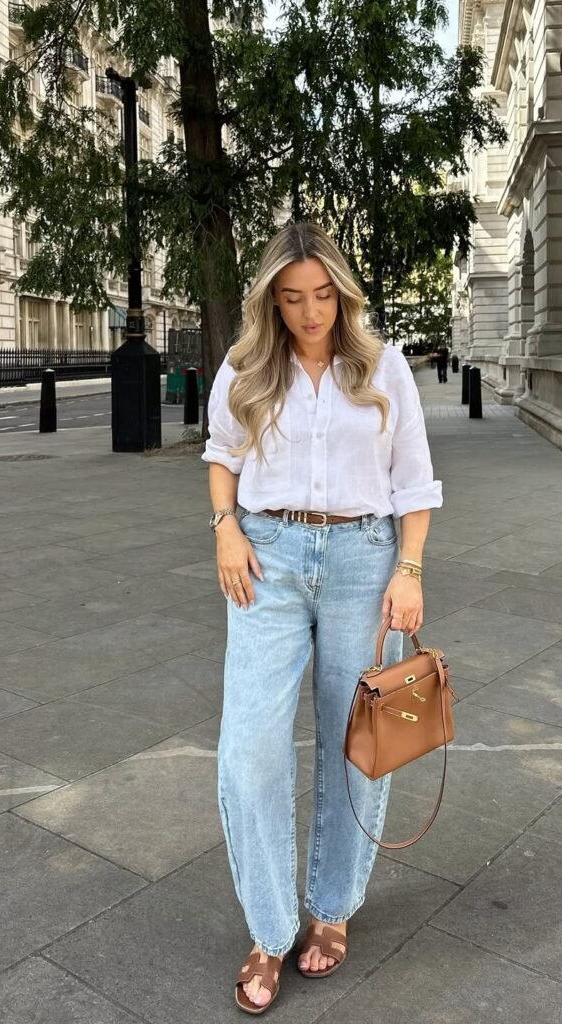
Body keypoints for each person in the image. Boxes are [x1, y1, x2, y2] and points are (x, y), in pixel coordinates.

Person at [202, 222, 442, 1014]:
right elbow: (221, 454)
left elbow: (415, 480)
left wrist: (407, 571)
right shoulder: (246, 368)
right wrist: (225, 528)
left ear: (343, 290)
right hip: (265, 558)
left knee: (359, 743)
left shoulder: (384, 368)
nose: (310, 312)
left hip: (362, 560)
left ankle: (330, 909)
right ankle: (269, 928)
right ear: (271, 299)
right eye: (292, 297)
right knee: (249, 748)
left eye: (323, 295)